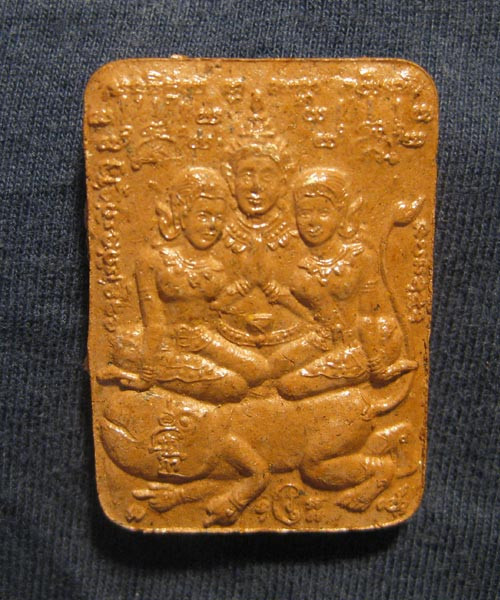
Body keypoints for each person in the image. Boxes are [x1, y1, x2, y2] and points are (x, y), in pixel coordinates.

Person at [99, 166, 269, 403]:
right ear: (182, 215)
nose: (212, 225)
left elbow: (219, 313)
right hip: (162, 343)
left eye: (218, 218)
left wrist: (248, 288)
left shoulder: (218, 266)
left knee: (260, 369)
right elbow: (154, 323)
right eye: (203, 215)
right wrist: (147, 373)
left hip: (202, 341)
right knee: (234, 387)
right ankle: (150, 378)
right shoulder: (152, 260)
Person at [269, 167, 417, 400]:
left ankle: (350, 404)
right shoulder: (300, 271)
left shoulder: (360, 258)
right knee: (273, 366)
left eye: (323, 212)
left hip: (373, 343)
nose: (313, 222)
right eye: (305, 213)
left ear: (341, 215)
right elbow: (316, 319)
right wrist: (283, 299)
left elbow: (368, 316)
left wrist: (377, 365)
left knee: (289, 386)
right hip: (329, 341)